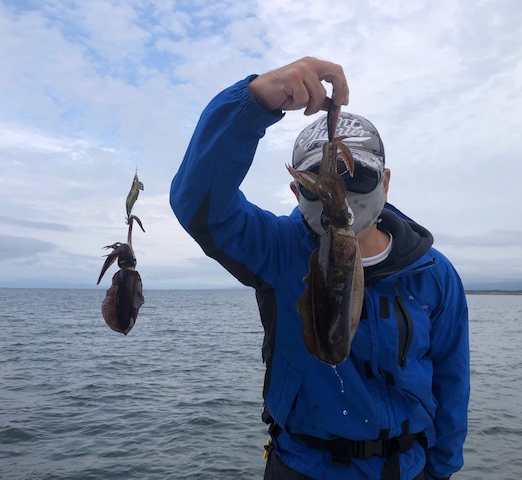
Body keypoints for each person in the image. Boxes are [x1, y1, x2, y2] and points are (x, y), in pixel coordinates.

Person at [170, 56, 469, 480]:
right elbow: (198, 205)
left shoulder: (433, 273)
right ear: (296, 192)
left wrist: (440, 471)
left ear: (385, 183)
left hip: (408, 468)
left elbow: (452, 384)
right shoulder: (276, 251)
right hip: (302, 466)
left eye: (358, 178)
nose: (340, 194)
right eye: (317, 183)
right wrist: (253, 102)